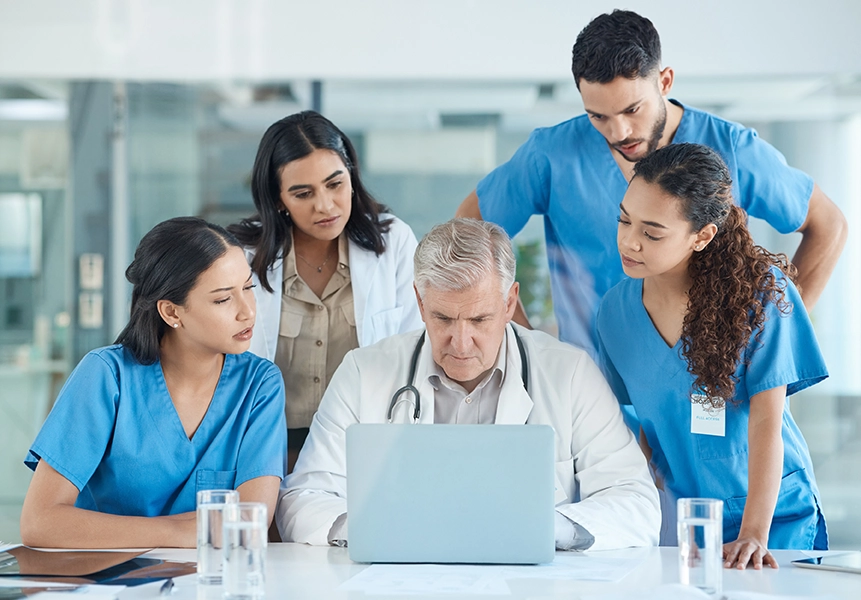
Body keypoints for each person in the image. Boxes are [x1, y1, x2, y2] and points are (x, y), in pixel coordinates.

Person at [456, 9, 846, 355]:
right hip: (594, 397)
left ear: (664, 81)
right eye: (598, 116)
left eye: (632, 109)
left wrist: (775, 341)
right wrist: (526, 345)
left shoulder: (733, 148)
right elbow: (469, 228)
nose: (618, 131)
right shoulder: (552, 153)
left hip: (710, 390)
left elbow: (828, 225)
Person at [277, 218, 660, 551]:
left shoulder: (570, 373)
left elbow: (635, 502)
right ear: (420, 302)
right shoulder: (364, 372)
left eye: (479, 320)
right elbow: (301, 500)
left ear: (510, 303)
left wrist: (546, 527)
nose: (460, 343)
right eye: (443, 318)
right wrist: (375, 528)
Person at [596, 144, 829, 571]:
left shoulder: (760, 296)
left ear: (702, 236)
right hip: (691, 522)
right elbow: (642, 427)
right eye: (624, 220)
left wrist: (755, 534)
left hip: (774, 520)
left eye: (652, 232)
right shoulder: (615, 313)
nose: (629, 241)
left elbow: (766, 421)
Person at [20, 217, 287, 548]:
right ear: (172, 312)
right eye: (222, 299)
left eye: (248, 288)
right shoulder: (105, 375)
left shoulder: (259, 385)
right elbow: (40, 522)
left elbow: (249, 523)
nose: (248, 312)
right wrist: (178, 531)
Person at [229, 111, 422, 469]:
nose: (325, 205)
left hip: (364, 451)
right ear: (277, 199)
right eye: (303, 193)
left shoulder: (393, 241)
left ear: (351, 174)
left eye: (335, 184)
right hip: (268, 451)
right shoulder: (242, 256)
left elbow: (416, 350)